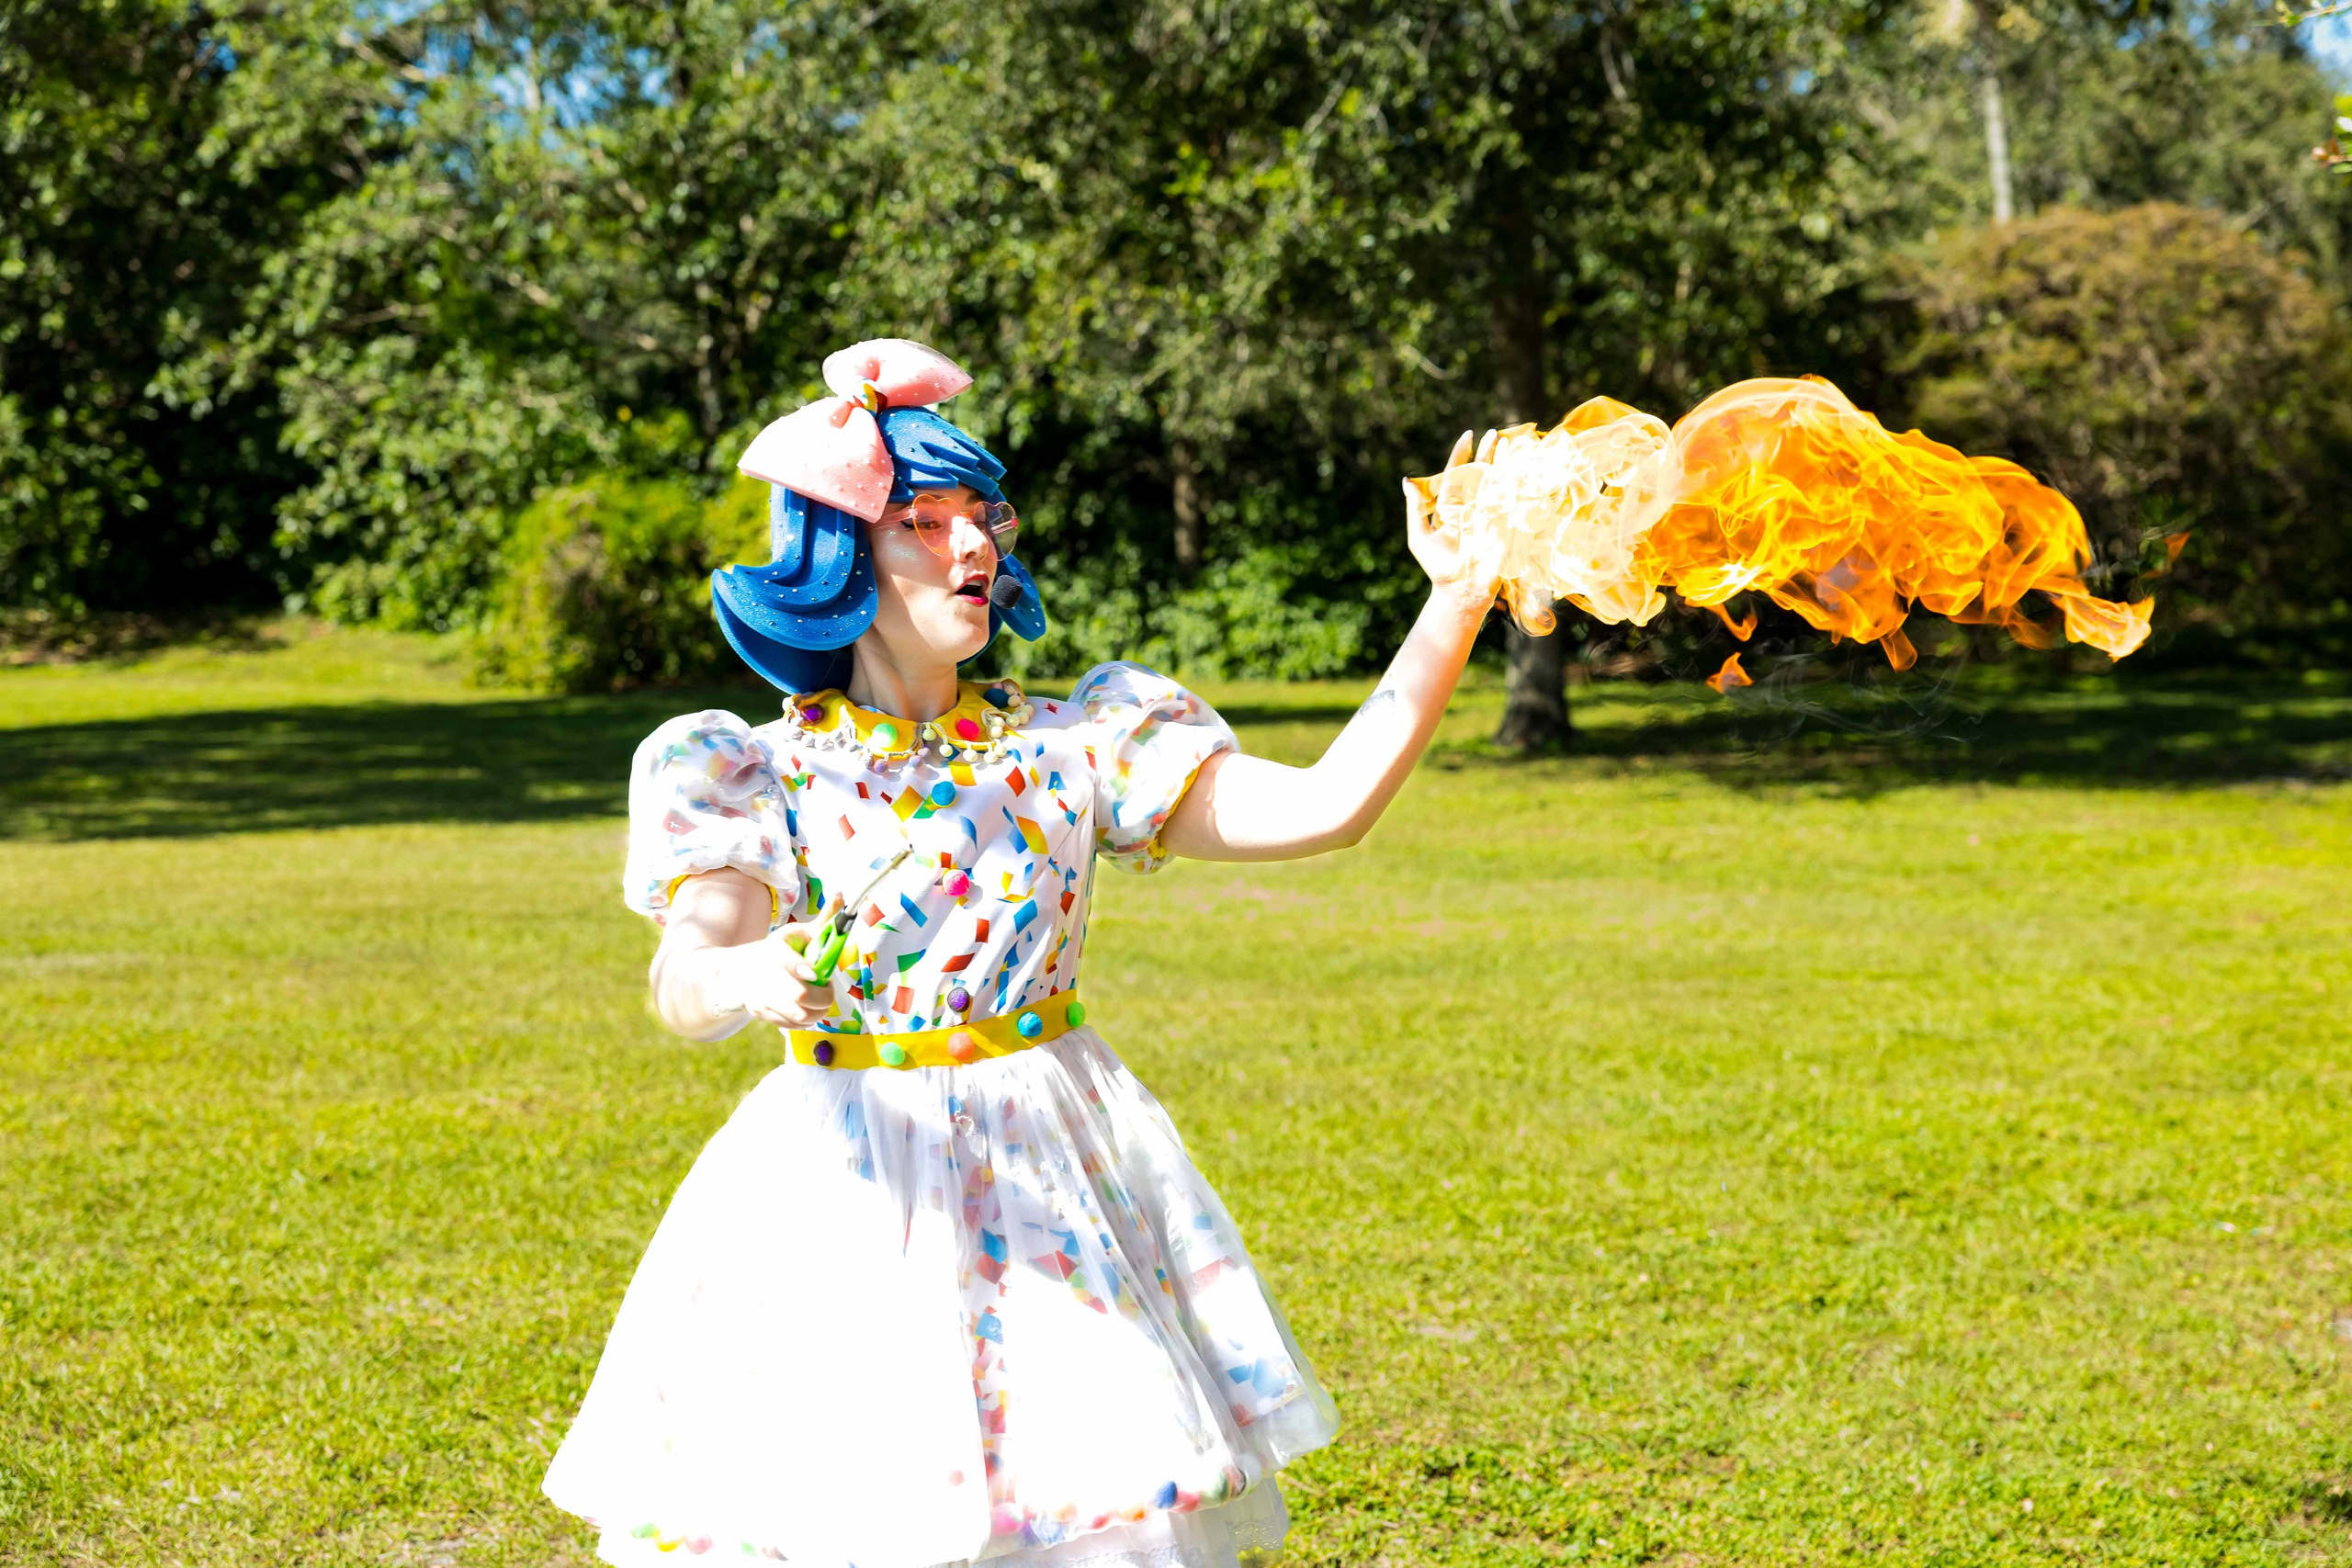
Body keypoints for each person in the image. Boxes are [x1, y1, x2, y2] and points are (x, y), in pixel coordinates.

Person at [542, 339, 1499, 1568]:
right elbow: (683, 981)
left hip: (1052, 1168)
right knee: (850, 1506)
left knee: (1087, 1512)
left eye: (982, 515)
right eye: (923, 522)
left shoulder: (1077, 740)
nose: (972, 548)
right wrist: (741, 973)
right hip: (843, 1184)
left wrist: (1455, 599)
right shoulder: (750, 770)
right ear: (840, 558)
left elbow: (1326, 807)